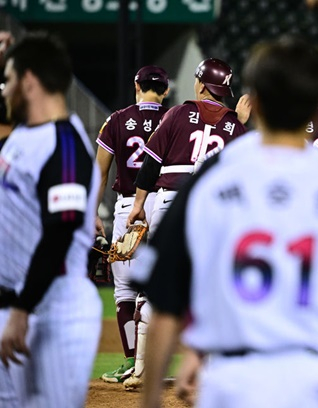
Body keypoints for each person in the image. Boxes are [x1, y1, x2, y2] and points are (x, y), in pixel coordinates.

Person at [135, 36, 318, 408]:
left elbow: (165, 304)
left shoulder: (212, 179)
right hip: (313, 384)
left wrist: (159, 390)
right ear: (316, 105)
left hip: (231, 380)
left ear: (254, 102)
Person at [123, 57, 245, 391]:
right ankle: (212, 370)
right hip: (213, 210)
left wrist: (138, 205)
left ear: (201, 84)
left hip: (170, 204)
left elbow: (151, 164)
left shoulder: (177, 113)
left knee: (155, 286)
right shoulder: (235, 126)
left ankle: (142, 371)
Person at [0, 32, 102, 407]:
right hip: (16, 307)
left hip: (51, 313)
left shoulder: (65, 144)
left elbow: (62, 229)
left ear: (28, 81)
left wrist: (22, 309)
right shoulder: (23, 136)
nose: (4, 89)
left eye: (8, 79)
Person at [94, 65, 170, 384]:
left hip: (130, 207)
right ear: (165, 90)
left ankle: (132, 361)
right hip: (164, 204)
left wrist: (93, 213)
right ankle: (155, 361)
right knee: (158, 286)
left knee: (125, 288)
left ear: (136, 86)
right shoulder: (174, 118)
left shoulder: (117, 120)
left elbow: (100, 171)